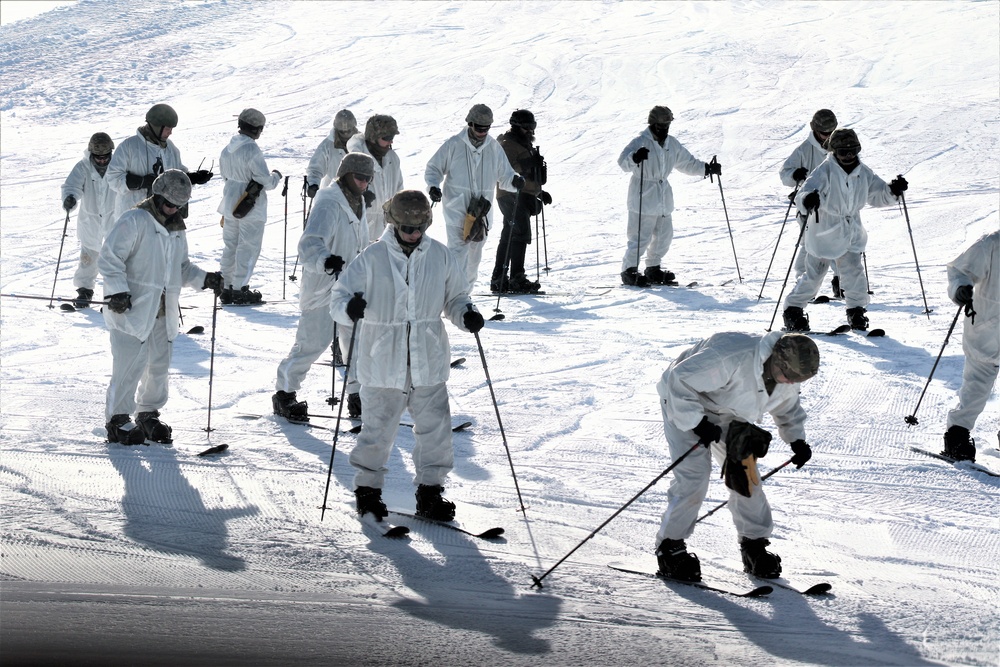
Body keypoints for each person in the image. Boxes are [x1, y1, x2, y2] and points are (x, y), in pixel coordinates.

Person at [330, 190, 485, 522]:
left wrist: (465, 314)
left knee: (436, 431)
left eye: (419, 229)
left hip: (428, 358)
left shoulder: (440, 256)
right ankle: (368, 493)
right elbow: (339, 297)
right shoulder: (371, 258)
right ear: (394, 223)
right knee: (377, 431)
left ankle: (430, 493)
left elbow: (456, 297)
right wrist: (348, 308)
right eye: (406, 229)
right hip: (382, 360)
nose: (413, 235)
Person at [654, 332, 820, 582]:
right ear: (777, 360)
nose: (791, 382)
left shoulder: (787, 373)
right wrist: (697, 422)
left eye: (797, 379)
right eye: (790, 376)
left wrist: (796, 439)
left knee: (746, 475)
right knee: (694, 477)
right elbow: (680, 381)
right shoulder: (730, 357)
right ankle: (669, 548)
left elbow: (788, 406)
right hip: (686, 402)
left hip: (730, 412)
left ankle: (753, 545)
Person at [98, 170, 224, 445]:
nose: (173, 209)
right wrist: (118, 290)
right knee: (129, 366)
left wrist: (205, 279)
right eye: (169, 204)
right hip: (131, 308)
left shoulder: (176, 230)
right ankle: (117, 419)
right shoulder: (134, 219)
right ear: (157, 196)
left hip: (162, 310)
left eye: (179, 206)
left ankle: (147, 413)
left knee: (158, 366)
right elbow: (110, 258)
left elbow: (181, 267)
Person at [272, 153, 374, 422]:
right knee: (312, 343)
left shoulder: (358, 201)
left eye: (368, 179)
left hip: (351, 286)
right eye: (360, 177)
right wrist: (325, 259)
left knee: (356, 342)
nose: (364, 183)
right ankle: (284, 393)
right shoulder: (329, 203)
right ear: (346, 174)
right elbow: (309, 243)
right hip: (324, 286)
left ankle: (356, 394)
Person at [782, 128, 908, 332]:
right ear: (834, 152)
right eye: (843, 152)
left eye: (853, 151)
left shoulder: (863, 172)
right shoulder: (824, 171)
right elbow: (803, 193)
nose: (849, 156)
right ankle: (793, 311)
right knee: (814, 275)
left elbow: (877, 195)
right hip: (824, 232)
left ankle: (856, 311)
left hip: (851, 232)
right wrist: (808, 200)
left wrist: (892, 191)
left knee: (854, 273)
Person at [618, 106, 720, 287]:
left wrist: (706, 169)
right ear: (652, 124)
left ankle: (653, 268)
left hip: (663, 195)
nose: (664, 129)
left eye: (667, 125)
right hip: (643, 194)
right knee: (641, 235)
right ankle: (629, 270)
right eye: (660, 125)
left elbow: (687, 163)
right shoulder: (640, 141)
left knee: (665, 235)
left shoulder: (672, 144)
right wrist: (635, 158)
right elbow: (622, 162)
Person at [425, 104, 523, 292]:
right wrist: (433, 187)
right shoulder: (454, 144)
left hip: (482, 214)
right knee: (457, 255)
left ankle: (465, 298)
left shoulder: (494, 147)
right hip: (457, 210)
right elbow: (434, 169)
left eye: (486, 128)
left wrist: (515, 181)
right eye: (479, 128)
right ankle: (453, 297)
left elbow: (506, 176)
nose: (482, 132)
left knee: (473, 258)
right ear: (470, 124)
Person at [216, 108, 283, 305]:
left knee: (231, 246)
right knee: (248, 247)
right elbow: (265, 181)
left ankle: (226, 288)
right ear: (257, 129)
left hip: (230, 204)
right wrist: (276, 176)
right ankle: (240, 289)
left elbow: (225, 176)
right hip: (250, 207)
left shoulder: (227, 149)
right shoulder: (252, 150)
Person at [942, 230, 999, 462]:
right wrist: (960, 287)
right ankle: (957, 434)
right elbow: (959, 270)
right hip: (987, 327)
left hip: (986, 327)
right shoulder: (991, 243)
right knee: (976, 385)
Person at [106, 103, 213, 221]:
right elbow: (112, 177)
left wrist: (193, 178)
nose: (170, 132)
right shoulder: (129, 146)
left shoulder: (170, 148)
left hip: (164, 217)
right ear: (156, 126)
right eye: (168, 129)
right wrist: (140, 182)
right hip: (132, 217)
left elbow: (177, 175)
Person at [779, 109, 841, 295]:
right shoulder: (805, 150)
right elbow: (785, 174)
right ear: (815, 130)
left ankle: (843, 282)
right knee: (810, 244)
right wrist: (794, 175)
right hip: (810, 207)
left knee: (841, 242)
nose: (828, 137)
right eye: (824, 133)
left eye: (831, 132)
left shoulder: (840, 147)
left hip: (836, 205)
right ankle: (803, 284)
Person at [490, 109, 551, 294]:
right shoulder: (507, 144)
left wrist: (539, 192)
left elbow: (528, 177)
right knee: (519, 233)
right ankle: (511, 277)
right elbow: (505, 170)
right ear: (516, 126)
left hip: (523, 195)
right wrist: (527, 164)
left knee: (512, 234)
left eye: (532, 127)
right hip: (510, 194)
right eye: (526, 127)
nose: (530, 131)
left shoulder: (523, 144)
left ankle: (505, 278)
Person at [61, 132, 117, 309]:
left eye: (105, 157)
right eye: (98, 157)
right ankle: (84, 291)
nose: (101, 160)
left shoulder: (119, 165)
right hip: (90, 221)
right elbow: (72, 186)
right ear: (91, 153)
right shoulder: (83, 166)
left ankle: (114, 296)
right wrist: (70, 198)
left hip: (114, 219)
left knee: (115, 259)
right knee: (88, 258)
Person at [347, 114, 404, 243]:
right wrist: (359, 198)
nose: (391, 142)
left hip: (387, 231)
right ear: (373, 137)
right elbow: (339, 191)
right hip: (359, 229)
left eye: (392, 137)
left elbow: (399, 189)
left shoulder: (393, 159)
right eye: (387, 137)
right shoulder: (354, 159)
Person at [306, 109, 357, 197]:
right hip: (332, 196)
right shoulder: (327, 145)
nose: (345, 134)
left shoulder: (362, 143)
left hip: (358, 196)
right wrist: (313, 184)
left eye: (348, 131)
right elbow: (315, 169)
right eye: (342, 131)